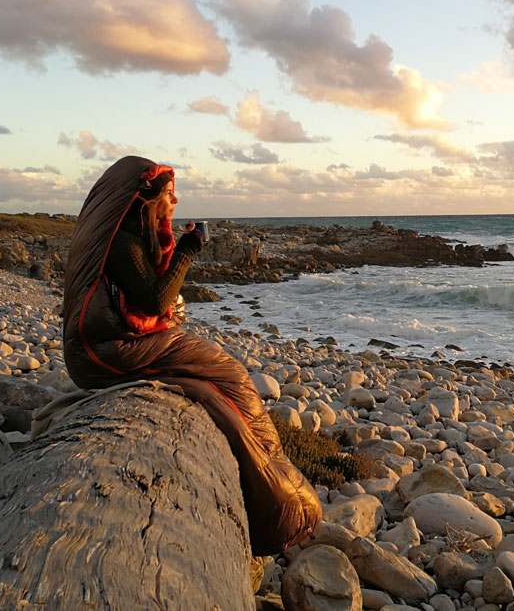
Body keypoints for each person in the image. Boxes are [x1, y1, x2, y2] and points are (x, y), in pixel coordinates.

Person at [62, 155, 321, 555]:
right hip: (108, 351)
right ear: (145, 200)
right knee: (232, 375)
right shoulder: (125, 242)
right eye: (169, 194)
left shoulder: (129, 235)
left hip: (108, 344)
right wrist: (188, 248)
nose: (176, 201)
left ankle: (278, 482)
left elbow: (148, 298)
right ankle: (281, 499)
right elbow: (154, 299)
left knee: (221, 380)